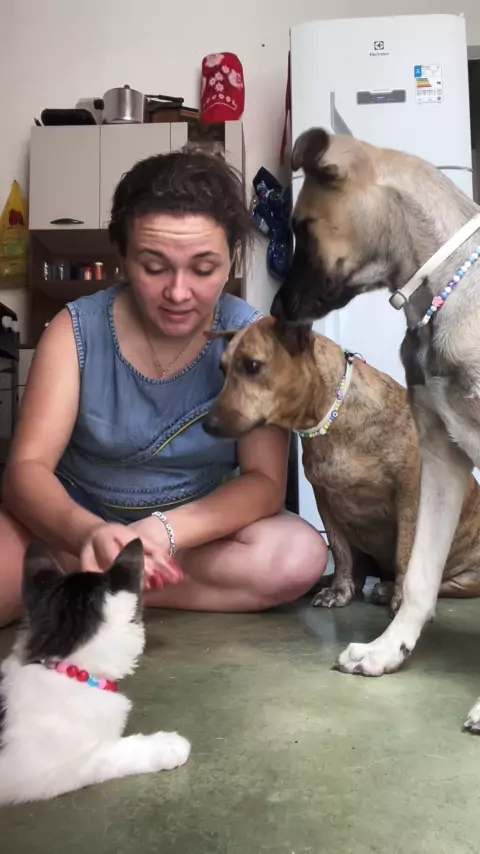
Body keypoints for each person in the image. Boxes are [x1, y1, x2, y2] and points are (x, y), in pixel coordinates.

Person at [0, 148, 328, 627]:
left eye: (203, 269)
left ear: (231, 258)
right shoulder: (74, 330)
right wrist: (86, 533)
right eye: (154, 267)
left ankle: (94, 585)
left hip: (188, 538)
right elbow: (26, 470)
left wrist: (163, 532)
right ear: (122, 256)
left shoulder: (257, 342)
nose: (178, 292)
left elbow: (264, 484)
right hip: (70, 528)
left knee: (298, 555)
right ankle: (106, 572)